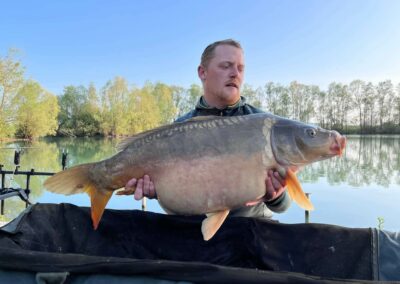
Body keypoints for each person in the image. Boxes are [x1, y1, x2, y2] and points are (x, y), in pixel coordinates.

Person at [117, 39, 291, 218]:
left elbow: (284, 206)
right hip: (195, 232)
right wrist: (158, 193)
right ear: (202, 72)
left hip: (253, 230)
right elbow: (174, 209)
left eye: (240, 68)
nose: (234, 74)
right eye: (226, 66)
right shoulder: (179, 130)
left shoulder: (264, 127)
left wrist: (276, 196)